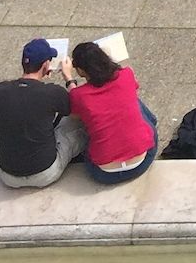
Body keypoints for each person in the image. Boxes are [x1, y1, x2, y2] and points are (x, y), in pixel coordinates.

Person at [0, 38, 87, 189]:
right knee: (76, 125)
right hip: (45, 173)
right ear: (46, 65)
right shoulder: (52, 92)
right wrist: (68, 77)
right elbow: (80, 110)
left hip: (8, 176)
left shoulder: (1, 89)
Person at [65, 39, 158, 185]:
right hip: (142, 162)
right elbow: (130, 84)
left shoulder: (79, 95)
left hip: (104, 173)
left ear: (81, 70)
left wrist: (69, 80)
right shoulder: (126, 75)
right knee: (133, 101)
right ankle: (151, 121)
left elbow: (75, 115)